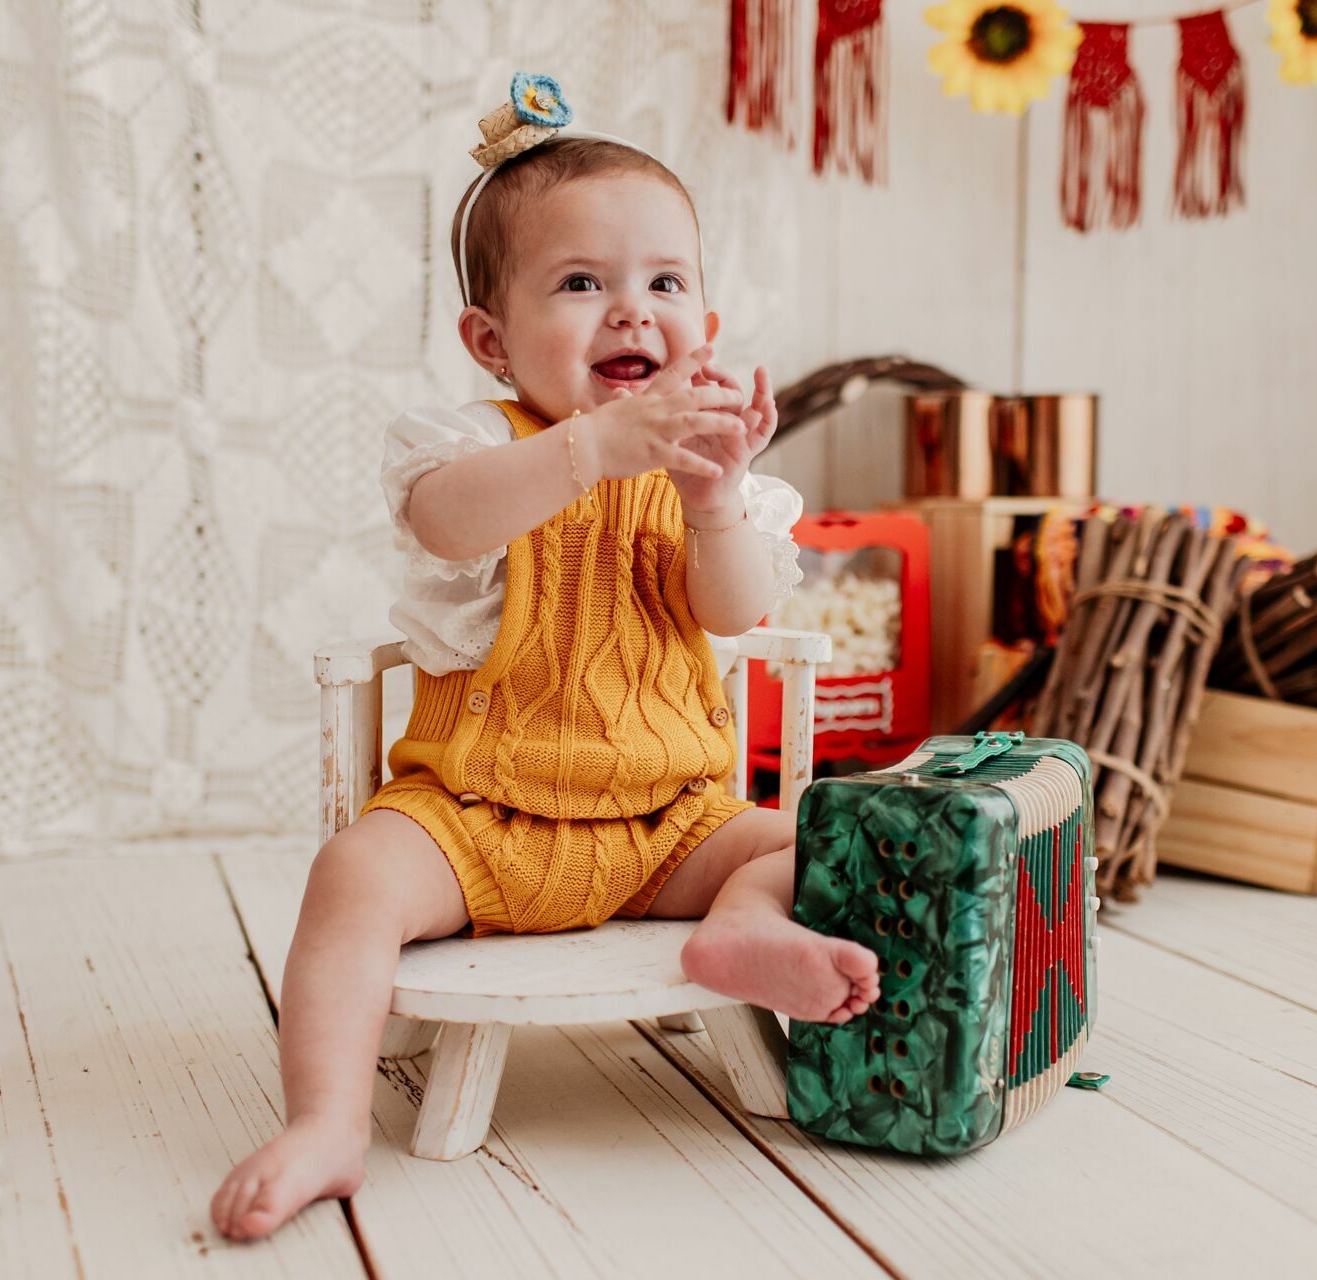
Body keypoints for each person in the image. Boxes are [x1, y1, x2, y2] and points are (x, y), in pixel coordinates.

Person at [212, 73, 879, 1243]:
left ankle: (744, 926)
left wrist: (714, 503)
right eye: (582, 283)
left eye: (664, 283)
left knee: (813, 832)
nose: (632, 312)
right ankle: (326, 1118)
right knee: (350, 878)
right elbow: (448, 523)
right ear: (492, 338)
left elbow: (730, 613)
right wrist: (591, 446)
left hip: (667, 820)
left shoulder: (716, 473)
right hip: (480, 817)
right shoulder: (473, 446)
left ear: (705, 329)